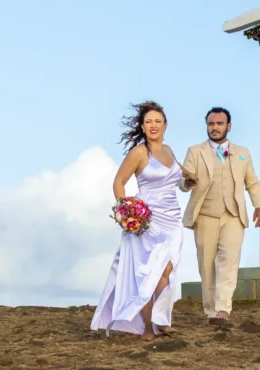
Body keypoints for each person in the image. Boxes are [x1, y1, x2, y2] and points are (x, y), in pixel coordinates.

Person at [90, 101, 196, 340]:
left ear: (165, 125)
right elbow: (119, 182)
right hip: (147, 220)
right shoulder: (139, 152)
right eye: (148, 121)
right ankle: (148, 327)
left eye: (158, 121)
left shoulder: (169, 150)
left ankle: (161, 320)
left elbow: (178, 183)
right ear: (142, 126)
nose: (153, 125)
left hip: (172, 219)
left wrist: (188, 182)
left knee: (167, 270)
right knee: (149, 272)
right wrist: (127, 213)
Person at [178, 107, 260, 321]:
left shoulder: (242, 152)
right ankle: (210, 310)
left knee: (229, 261)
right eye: (211, 124)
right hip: (205, 214)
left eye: (219, 124)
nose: (214, 128)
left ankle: (223, 309)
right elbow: (181, 182)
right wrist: (186, 182)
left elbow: (252, 182)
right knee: (207, 265)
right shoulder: (195, 151)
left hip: (233, 215)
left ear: (229, 126)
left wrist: (259, 206)